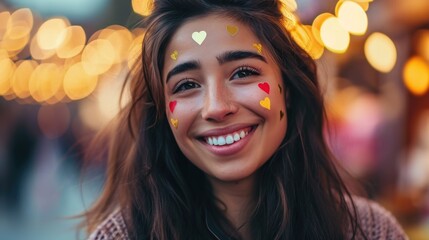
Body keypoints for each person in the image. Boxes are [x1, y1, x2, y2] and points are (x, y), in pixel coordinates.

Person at [84, 0, 408, 239]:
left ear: (288, 88)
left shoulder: (371, 232)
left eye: (243, 73)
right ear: (162, 113)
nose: (215, 107)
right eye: (186, 85)